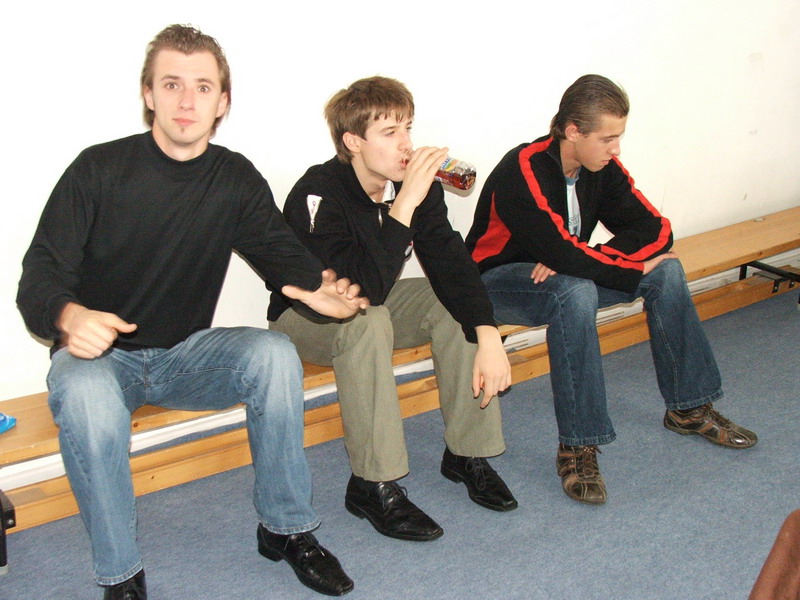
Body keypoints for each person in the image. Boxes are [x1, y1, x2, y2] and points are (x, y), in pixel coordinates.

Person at [16, 24, 368, 599]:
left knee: (274, 355)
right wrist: (69, 316)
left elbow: (280, 253)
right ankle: (121, 575)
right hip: (100, 361)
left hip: (184, 354)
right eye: (171, 84)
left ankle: (286, 529)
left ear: (222, 102)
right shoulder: (98, 169)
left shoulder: (233, 177)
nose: (186, 101)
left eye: (202, 87)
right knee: (85, 399)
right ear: (148, 94)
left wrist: (315, 289)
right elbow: (39, 276)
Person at [465, 74, 758, 506]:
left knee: (666, 272)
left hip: (565, 277)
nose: (616, 149)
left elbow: (657, 229)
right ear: (573, 132)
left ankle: (688, 408)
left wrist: (586, 255)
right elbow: (562, 253)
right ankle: (579, 444)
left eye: (618, 137)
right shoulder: (523, 168)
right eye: (607, 138)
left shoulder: (600, 169)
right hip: (496, 282)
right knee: (575, 292)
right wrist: (575, 258)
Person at [269, 76, 517, 543]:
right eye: (389, 132)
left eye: (407, 128)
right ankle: (372, 483)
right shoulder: (317, 193)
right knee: (369, 321)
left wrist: (487, 333)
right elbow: (356, 294)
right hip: (304, 318)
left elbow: (451, 262)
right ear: (353, 142)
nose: (406, 144)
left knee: (448, 302)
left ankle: (467, 452)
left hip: (373, 306)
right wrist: (403, 206)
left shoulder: (413, 187)